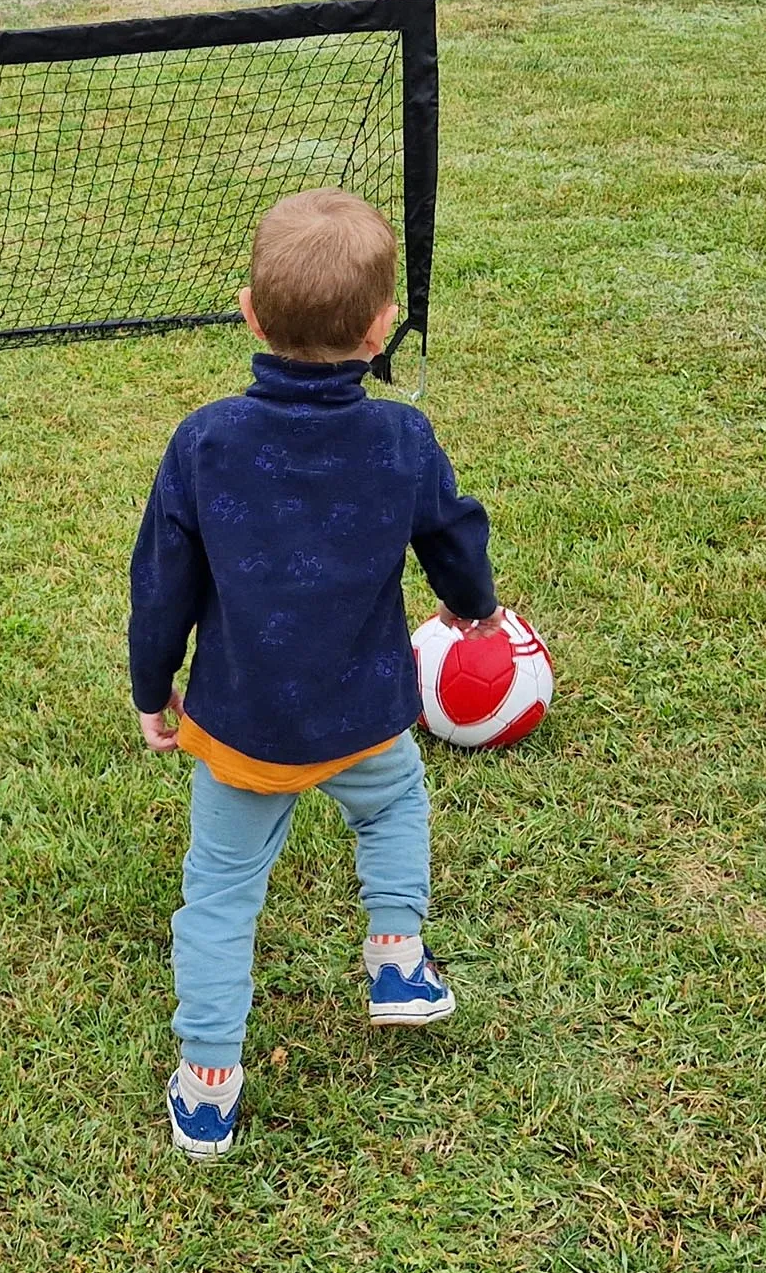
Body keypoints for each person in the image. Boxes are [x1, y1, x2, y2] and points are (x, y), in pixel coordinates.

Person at [129, 188, 506, 1159]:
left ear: (247, 313)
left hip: (239, 722)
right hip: (363, 712)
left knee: (218, 891)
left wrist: (149, 686)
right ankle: (395, 959)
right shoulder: (399, 440)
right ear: (383, 327)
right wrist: (472, 610)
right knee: (390, 806)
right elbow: (452, 534)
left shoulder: (203, 440)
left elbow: (159, 582)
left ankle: (206, 1081)